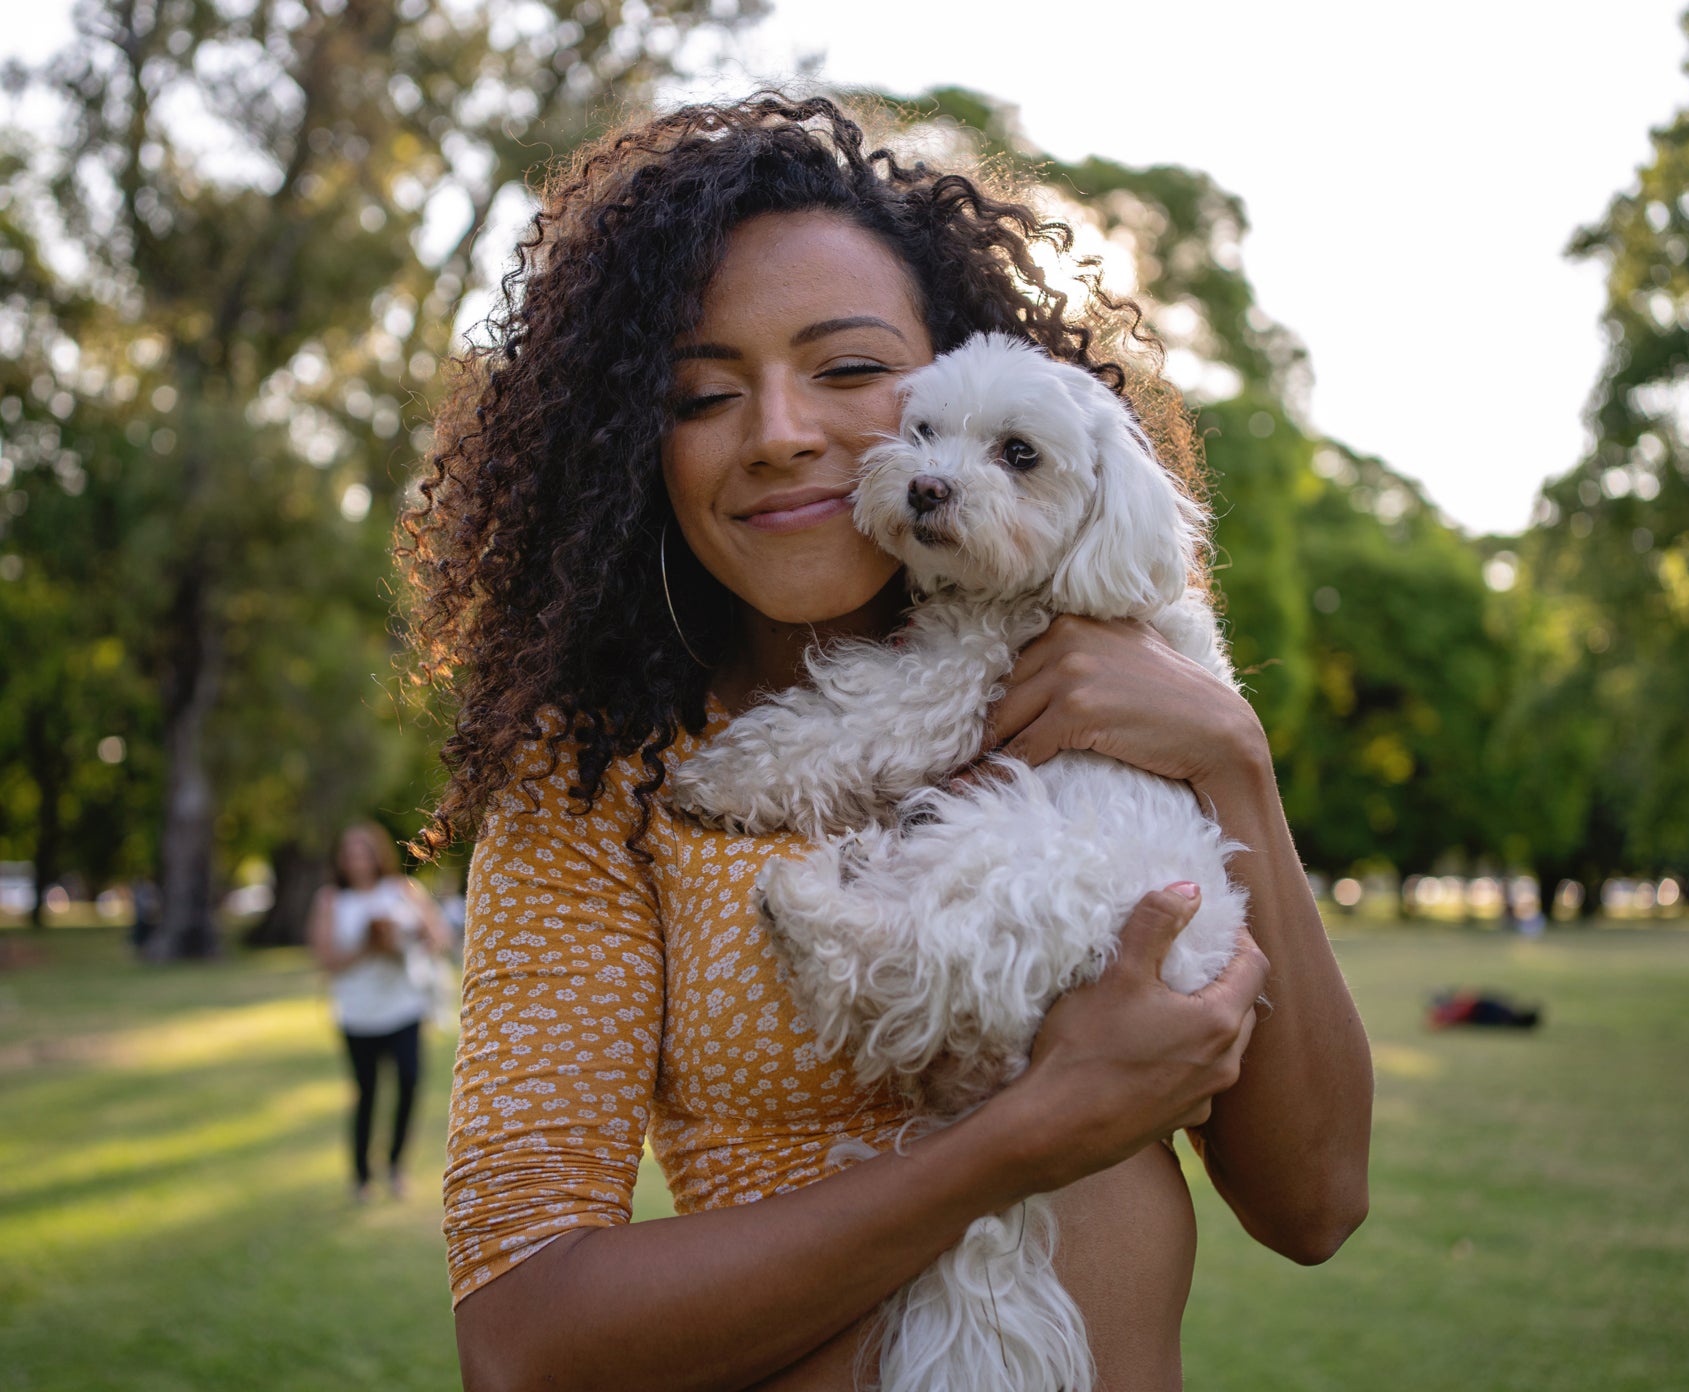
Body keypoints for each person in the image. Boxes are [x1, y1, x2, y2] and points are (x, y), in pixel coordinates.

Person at [400, 93, 1374, 1391]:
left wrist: (1229, 763)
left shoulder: (1116, 682)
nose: (782, 432)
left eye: (851, 370)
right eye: (701, 393)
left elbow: (1311, 1207)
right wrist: (1015, 1143)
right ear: (630, 442)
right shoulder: (604, 783)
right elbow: (521, 1343)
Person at [308, 821, 453, 1201]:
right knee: (366, 1092)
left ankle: (395, 1166)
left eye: (364, 851)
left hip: (404, 1006)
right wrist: (367, 947)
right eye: (350, 852)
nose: (358, 860)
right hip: (358, 1012)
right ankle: (361, 1176)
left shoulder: (402, 891)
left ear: (377, 854)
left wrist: (411, 938)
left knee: (408, 1082)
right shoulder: (331, 900)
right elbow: (325, 958)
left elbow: (439, 936)